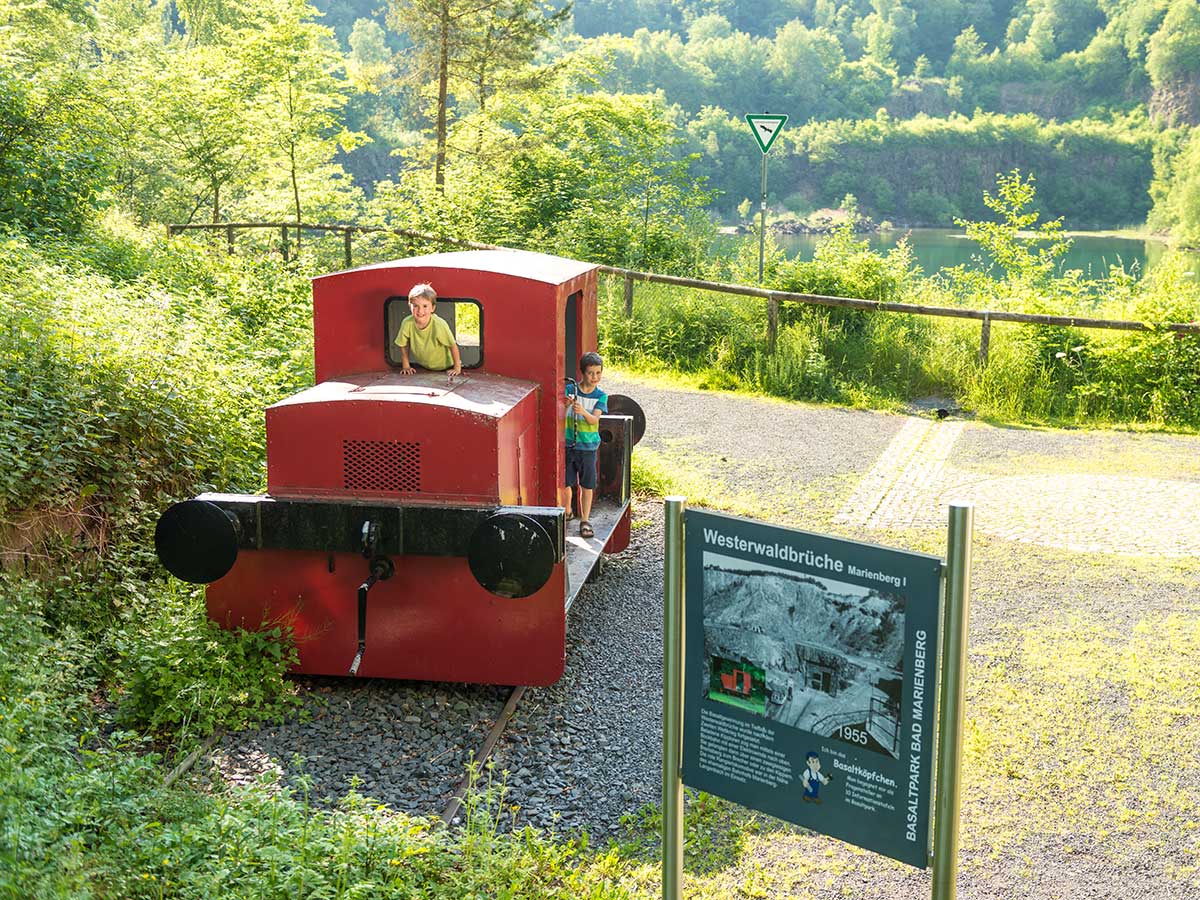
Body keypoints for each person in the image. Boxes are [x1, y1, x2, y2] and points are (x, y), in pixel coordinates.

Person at [565, 351, 607, 539]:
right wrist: (566, 404)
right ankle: (567, 511)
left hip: (588, 447)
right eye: (591, 373)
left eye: (598, 373)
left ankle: (585, 519)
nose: (595, 377)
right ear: (582, 373)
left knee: (587, 484)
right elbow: (560, 412)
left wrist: (581, 410)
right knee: (566, 482)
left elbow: (593, 420)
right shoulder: (569, 390)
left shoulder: (601, 396)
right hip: (569, 443)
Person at [395, 283, 462, 376]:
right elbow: (403, 345)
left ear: (433, 308)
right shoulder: (407, 323)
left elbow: (452, 345)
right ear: (409, 306)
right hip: (424, 367)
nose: (420, 311)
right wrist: (406, 365)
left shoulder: (439, 324)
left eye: (425, 306)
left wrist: (457, 368)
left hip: (446, 366)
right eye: (415, 306)